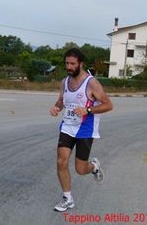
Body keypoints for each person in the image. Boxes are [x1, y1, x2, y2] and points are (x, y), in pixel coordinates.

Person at [49, 48, 113, 212]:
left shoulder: (91, 83)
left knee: (80, 169)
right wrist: (56, 108)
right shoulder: (65, 82)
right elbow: (61, 101)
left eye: (72, 64)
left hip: (85, 129)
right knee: (61, 161)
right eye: (67, 63)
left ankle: (94, 167)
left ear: (81, 64)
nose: (69, 67)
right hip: (67, 126)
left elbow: (108, 105)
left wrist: (88, 110)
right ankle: (67, 198)